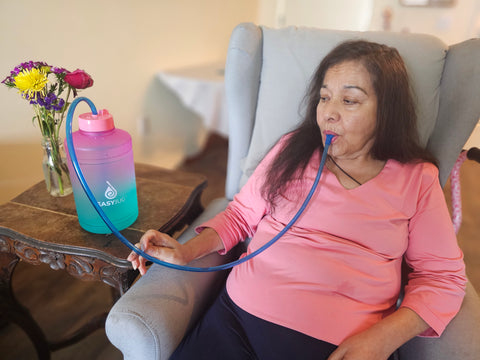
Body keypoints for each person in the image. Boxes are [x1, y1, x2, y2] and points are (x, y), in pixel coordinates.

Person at [128, 40, 467, 360]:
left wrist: (382, 339)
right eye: (324, 98)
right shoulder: (292, 150)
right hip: (234, 321)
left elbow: (443, 279)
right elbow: (241, 216)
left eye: (349, 101)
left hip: (336, 347)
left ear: (386, 112)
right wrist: (184, 252)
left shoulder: (416, 179)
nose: (329, 114)